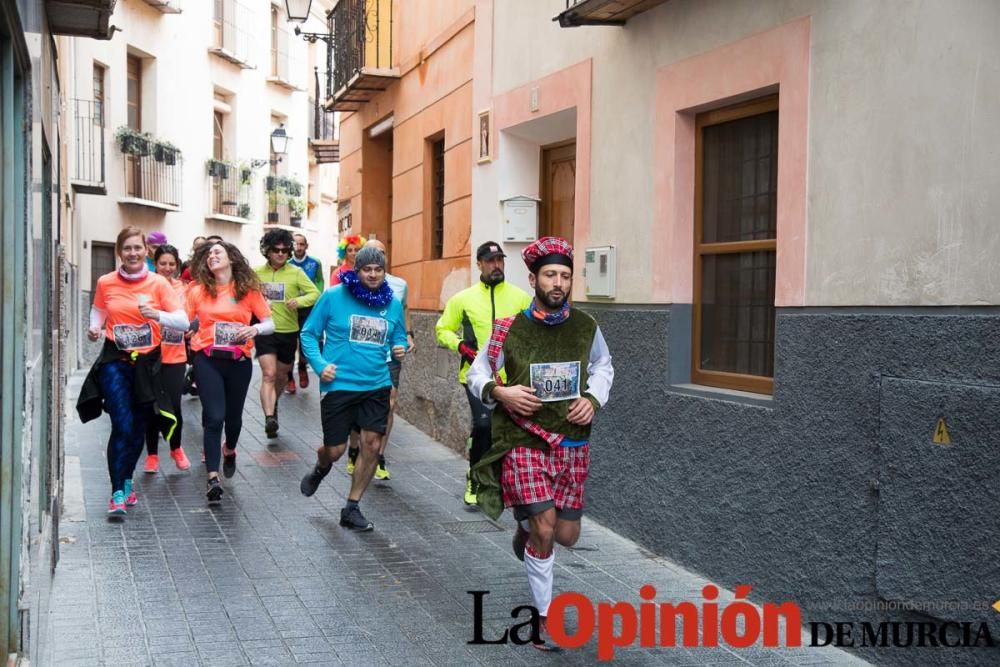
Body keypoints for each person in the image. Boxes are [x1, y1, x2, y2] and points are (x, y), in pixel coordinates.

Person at [466, 236, 613, 651]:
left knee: (566, 535)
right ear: (533, 278)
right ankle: (544, 620)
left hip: (571, 441)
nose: (559, 283)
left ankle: (525, 528)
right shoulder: (508, 329)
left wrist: (592, 398)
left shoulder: (587, 327)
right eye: (551, 274)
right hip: (523, 439)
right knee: (547, 529)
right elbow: (478, 374)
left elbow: (604, 365)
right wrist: (501, 392)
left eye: (565, 276)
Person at [76, 226, 188, 515]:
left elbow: (183, 321)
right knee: (122, 425)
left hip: (149, 364)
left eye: (138, 248)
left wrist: (157, 315)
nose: (133, 253)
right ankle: (116, 492)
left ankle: (126, 480)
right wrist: (94, 326)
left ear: (145, 251)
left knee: (138, 426)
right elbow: (99, 309)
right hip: (116, 358)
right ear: (119, 252)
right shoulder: (106, 282)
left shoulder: (158, 284)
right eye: (127, 248)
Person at [299, 245, 407, 531]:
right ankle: (321, 467)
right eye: (367, 269)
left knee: (372, 444)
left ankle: (352, 507)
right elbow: (308, 334)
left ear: (385, 272)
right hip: (339, 385)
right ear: (356, 270)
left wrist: (401, 347)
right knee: (335, 450)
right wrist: (321, 365)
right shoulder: (334, 297)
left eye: (378, 269)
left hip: (376, 384)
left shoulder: (392, 303)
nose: (373, 274)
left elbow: (399, 335)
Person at [435, 241, 532, 505]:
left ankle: (503, 479)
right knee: (483, 424)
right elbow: (442, 329)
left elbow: (531, 331)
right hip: (475, 377)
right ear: (479, 264)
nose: (496, 265)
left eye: (500, 260)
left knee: (505, 430)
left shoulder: (521, 298)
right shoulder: (462, 299)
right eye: (490, 261)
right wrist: (460, 346)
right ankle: (475, 476)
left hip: (510, 378)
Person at [186, 240, 274, 502]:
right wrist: (182, 325)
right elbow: (184, 319)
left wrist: (254, 329)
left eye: (218, 252)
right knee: (214, 417)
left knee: (233, 419)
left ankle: (231, 448)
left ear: (231, 258)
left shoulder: (247, 290)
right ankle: (212, 477)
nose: (212, 256)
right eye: (209, 254)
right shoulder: (198, 291)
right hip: (207, 358)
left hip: (238, 361)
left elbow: (270, 323)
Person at [344, 239, 415, 480]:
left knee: (390, 401)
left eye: (381, 254)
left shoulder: (399, 284)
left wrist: (407, 335)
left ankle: (378, 453)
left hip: (389, 353)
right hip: (361, 355)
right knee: (359, 402)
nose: (376, 259)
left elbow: (404, 310)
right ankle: (355, 448)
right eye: (370, 255)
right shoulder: (351, 284)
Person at [254, 229, 319, 430]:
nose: (281, 254)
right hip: (265, 331)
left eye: (284, 250)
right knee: (269, 374)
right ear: (267, 251)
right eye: (276, 250)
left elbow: (315, 293)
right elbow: (244, 295)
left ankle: (274, 402)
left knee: (281, 376)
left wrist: (298, 301)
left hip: (288, 331)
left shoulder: (296, 272)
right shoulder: (256, 273)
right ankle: (270, 417)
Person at [142, 244, 192, 473]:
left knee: (174, 405)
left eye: (172, 264)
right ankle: (152, 455)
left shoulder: (184, 289)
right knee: (151, 407)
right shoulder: (146, 286)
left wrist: (193, 327)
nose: (168, 268)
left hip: (176, 356)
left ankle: (176, 448)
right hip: (149, 356)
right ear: (155, 264)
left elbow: (195, 315)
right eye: (163, 263)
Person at [287, 232, 325, 392]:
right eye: (295, 244)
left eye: (301, 244)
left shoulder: (315, 263)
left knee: (305, 341)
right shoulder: (287, 263)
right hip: (290, 309)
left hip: (308, 308)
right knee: (288, 344)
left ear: (306, 246)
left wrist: (317, 299)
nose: (298, 247)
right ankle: (289, 377)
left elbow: (320, 281)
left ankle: (302, 366)